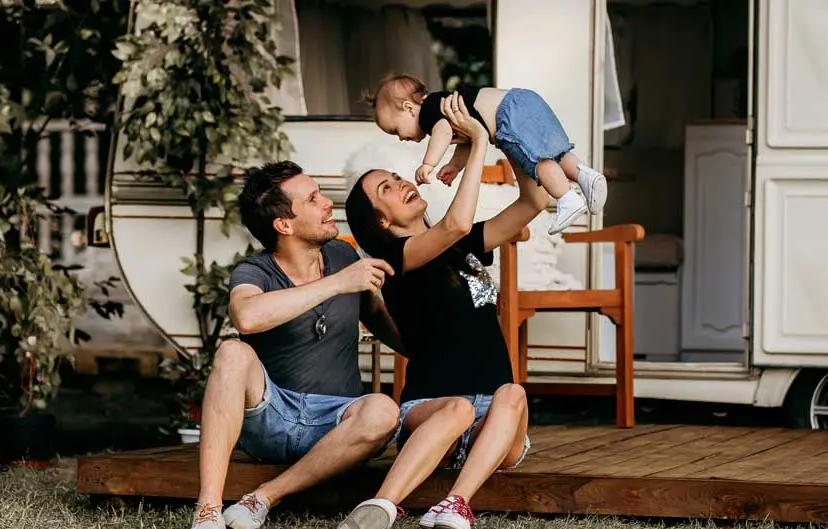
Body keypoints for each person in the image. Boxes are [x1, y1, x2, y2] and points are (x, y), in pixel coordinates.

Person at [344, 92, 543, 529]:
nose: (402, 183)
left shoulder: (463, 246)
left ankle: (455, 504)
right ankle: (380, 508)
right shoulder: (396, 259)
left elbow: (534, 203)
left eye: (397, 177)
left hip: (494, 422)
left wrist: (505, 133)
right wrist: (478, 142)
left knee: (513, 394)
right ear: (381, 221)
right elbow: (454, 223)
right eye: (387, 188)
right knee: (457, 409)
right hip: (433, 410)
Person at [188, 160, 408, 529]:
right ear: (284, 225)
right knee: (232, 352)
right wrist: (338, 283)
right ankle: (208, 508)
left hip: (336, 422)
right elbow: (246, 316)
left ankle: (264, 497)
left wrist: (423, 352)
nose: (327, 203)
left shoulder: (343, 256)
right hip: (270, 418)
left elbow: (375, 316)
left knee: (384, 410)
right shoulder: (255, 270)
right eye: (313, 199)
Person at [365, 73, 607, 236]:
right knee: (556, 154)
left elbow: (443, 131)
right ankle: (587, 177)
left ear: (408, 108)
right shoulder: (443, 106)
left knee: (537, 161)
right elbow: (469, 138)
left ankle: (567, 197)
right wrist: (455, 166)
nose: (400, 137)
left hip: (507, 114)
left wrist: (429, 164)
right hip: (522, 100)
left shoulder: (429, 113)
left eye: (395, 130)